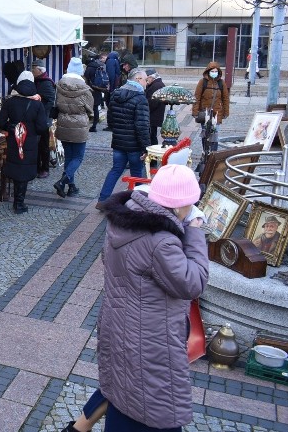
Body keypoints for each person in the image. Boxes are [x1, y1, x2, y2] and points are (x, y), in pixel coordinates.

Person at [96, 164, 208, 431]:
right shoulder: (162, 241)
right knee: (157, 405)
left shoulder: (123, 219)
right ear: (180, 207)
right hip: (151, 337)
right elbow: (193, 283)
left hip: (119, 325)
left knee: (123, 393)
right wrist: (194, 233)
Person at [96, 68, 150, 208]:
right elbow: (142, 125)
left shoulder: (116, 94)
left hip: (119, 141)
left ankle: (102, 200)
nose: (147, 82)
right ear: (138, 79)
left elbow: (111, 118)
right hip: (134, 145)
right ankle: (140, 203)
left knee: (115, 170)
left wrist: (119, 130)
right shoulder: (140, 98)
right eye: (145, 79)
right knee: (137, 172)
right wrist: (146, 147)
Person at [0, 71, 48, 214]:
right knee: (24, 169)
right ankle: (19, 202)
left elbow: (0, 121)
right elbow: (42, 127)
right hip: (30, 142)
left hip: (14, 139)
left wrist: (10, 127)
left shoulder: (10, 101)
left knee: (16, 166)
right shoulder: (37, 104)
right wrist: (32, 131)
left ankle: (16, 200)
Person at [53, 57, 93, 198]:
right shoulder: (85, 89)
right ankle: (63, 181)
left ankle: (71, 187)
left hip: (63, 123)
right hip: (79, 126)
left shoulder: (59, 86)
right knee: (78, 157)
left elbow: (56, 105)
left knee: (69, 157)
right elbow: (90, 110)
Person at [192, 61, 230, 155]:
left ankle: (213, 153)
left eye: (215, 71)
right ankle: (205, 151)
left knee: (215, 134)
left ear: (218, 72)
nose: (214, 73)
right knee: (205, 133)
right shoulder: (203, 82)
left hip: (217, 113)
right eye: (212, 71)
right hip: (204, 113)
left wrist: (226, 112)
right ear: (208, 71)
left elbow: (225, 99)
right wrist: (195, 111)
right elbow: (197, 97)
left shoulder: (221, 83)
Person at [31, 59, 56, 179]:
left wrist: (42, 113)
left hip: (44, 119)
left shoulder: (46, 82)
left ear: (40, 70)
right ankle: (36, 167)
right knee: (36, 145)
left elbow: (51, 101)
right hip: (36, 118)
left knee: (43, 145)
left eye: (33, 69)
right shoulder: (36, 81)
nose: (31, 71)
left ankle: (44, 168)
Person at [84, 51, 109, 133]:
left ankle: (85, 125)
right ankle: (94, 126)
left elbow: (85, 79)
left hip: (89, 90)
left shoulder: (89, 68)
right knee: (95, 109)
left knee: (86, 109)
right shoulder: (100, 67)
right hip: (98, 90)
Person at [145, 69, 166, 148]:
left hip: (152, 116)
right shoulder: (157, 84)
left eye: (147, 79)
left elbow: (153, 103)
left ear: (151, 77)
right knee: (152, 136)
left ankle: (152, 157)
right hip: (154, 115)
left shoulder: (156, 86)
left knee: (151, 137)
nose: (146, 81)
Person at [103, 50, 121, 131]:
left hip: (111, 88)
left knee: (110, 106)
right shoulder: (116, 60)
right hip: (115, 87)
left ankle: (110, 125)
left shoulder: (110, 61)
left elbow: (111, 75)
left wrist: (110, 88)